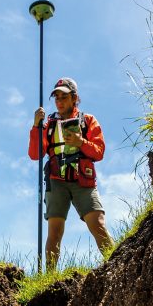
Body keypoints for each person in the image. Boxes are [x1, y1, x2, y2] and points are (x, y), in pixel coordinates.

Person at [28, 77, 114, 270]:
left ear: (75, 98)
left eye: (64, 97)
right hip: (56, 180)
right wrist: (36, 126)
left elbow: (99, 152)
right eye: (56, 97)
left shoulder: (88, 120)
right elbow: (35, 154)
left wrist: (80, 142)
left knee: (97, 224)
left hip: (83, 180)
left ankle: (117, 267)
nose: (59, 101)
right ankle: (48, 279)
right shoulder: (47, 124)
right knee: (55, 232)